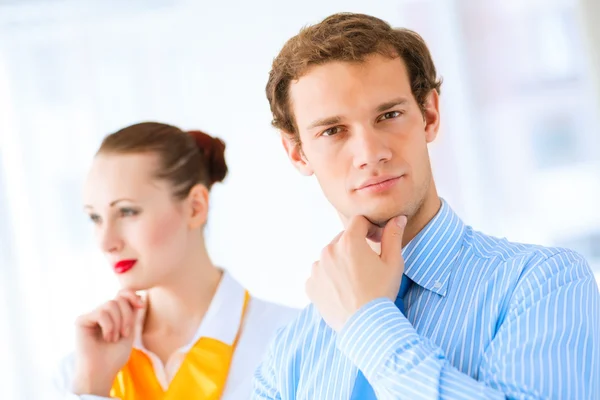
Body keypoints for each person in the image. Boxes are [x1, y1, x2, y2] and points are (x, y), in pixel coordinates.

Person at [252, 12, 600, 399]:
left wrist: (368, 325)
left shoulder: (543, 284)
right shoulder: (286, 360)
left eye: (389, 115)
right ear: (298, 153)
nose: (370, 153)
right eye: (333, 131)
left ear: (430, 115)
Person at [53, 122, 298, 399]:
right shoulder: (79, 371)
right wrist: (92, 388)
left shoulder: (295, 343)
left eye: (127, 212)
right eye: (95, 218)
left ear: (196, 207)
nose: (106, 242)